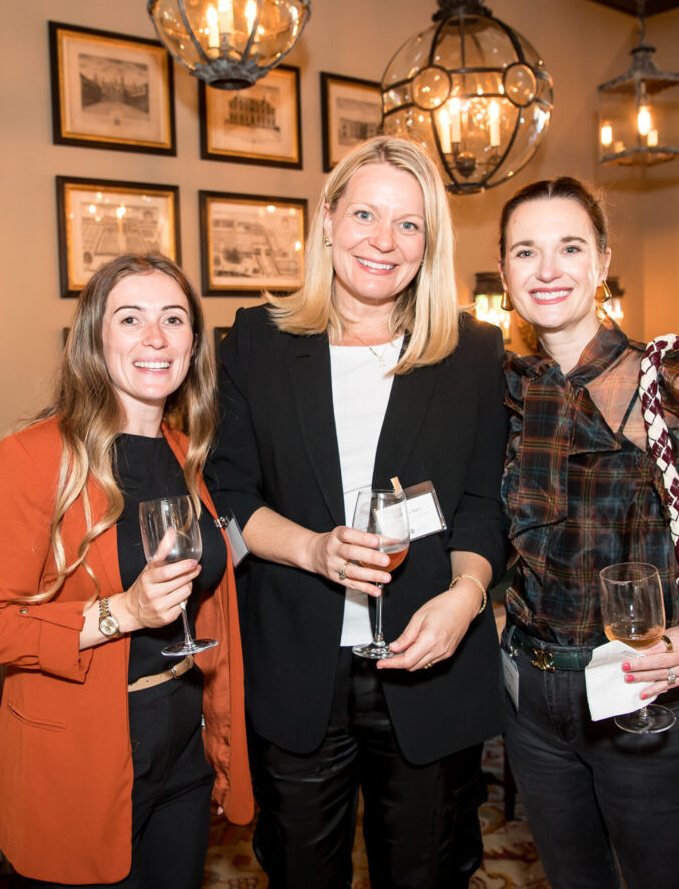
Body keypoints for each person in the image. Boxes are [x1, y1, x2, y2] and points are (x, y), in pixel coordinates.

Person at [208, 136, 509, 889]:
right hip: (297, 670)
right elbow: (233, 492)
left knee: (428, 874)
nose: (384, 240)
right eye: (367, 214)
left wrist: (464, 599)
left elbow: (480, 504)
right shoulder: (258, 341)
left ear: (429, 242)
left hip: (429, 668)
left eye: (408, 224)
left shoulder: (473, 351)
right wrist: (313, 550)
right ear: (328, 219)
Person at [497, 177, 679, 889]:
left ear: (601, 259)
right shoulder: (507, 385)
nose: (546, 270)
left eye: (569, 247)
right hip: (532, 699)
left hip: (644, 695)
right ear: (504, 271)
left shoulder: (671, 381)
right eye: (524, 252)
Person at [0, 254, 253, 887]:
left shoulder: (184, 451)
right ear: (94, 339)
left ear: (193, 343)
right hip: (80, 757)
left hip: (181, 749)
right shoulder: (33, 457)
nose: (155, 338)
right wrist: (124, 612)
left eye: (173, 319)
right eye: (130, 319)